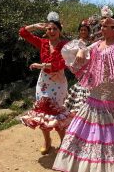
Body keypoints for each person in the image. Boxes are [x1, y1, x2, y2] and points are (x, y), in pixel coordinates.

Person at [53, 10, 114, 172]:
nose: (102, 29)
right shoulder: (97, 44)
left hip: (111, 94)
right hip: (95, 93)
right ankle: (88, 161)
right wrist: (82, 50)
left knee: (109, 132)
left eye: (106, 26)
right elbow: (76, 51)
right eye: (101, 26)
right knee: (91, 128)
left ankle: (107, 162)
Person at [19, 12, 72, 155]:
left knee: (56, 111)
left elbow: (64, 63)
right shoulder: (42, 42)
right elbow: (23, 32)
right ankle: (47, 141)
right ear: (46, 31)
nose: (52, 31)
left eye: (55, 28)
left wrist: (42, 66)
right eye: (49, 29)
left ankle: (63, 141)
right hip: (43, 82)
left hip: (58, 81)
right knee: (42, 111)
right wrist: (35, 26)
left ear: (60, 30)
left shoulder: (65, 45)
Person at [63, 20, 92, 115]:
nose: (83, 32)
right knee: (82, 87)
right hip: (80, 69)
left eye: (85, 30)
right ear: (79, 31)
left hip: (91, 69)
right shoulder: (75, 43)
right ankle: (81, 111)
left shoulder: (92, 42)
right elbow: (70, 56)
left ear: (88, 31)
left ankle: (87, 111)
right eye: (81, 30)